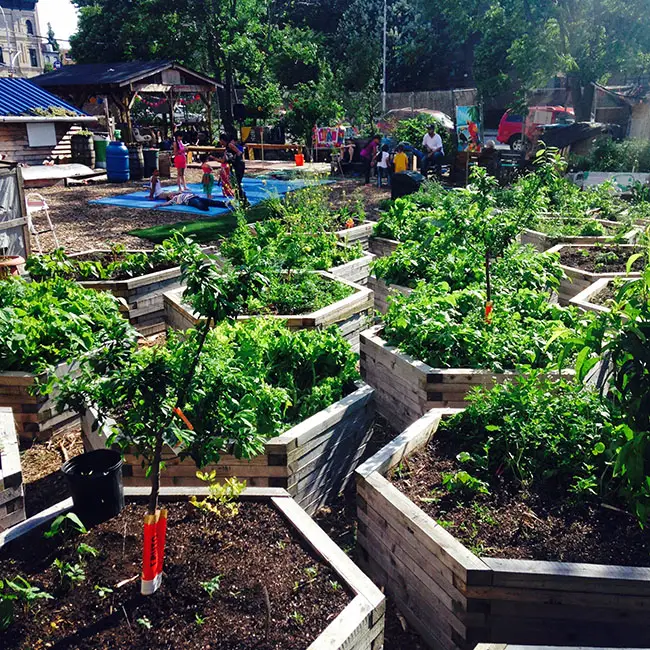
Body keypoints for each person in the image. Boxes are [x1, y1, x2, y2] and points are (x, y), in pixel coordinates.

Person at [219, 132, 248, 205]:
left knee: (237, 184)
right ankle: (240, 199)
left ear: (223, 140)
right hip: (234, 166)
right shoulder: (226, 148)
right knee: (235, 184)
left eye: (220, 140)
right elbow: (224, 160)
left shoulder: (230, 145)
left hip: (238, 165)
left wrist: (235, 159)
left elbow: (239, 152)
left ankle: (244, 201)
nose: (220, 142)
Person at [160, 190, 232, 212]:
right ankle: (204, 207)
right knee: (198, 203)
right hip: (189, 200)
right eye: (169, 196)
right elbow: (167, 203)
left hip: (195, 197)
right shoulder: (174, 200)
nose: (171, 195)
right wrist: (159, 205)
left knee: (210, 201)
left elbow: (179, 191)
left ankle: (225, 204)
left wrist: (174, 193)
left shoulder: (178, 194)